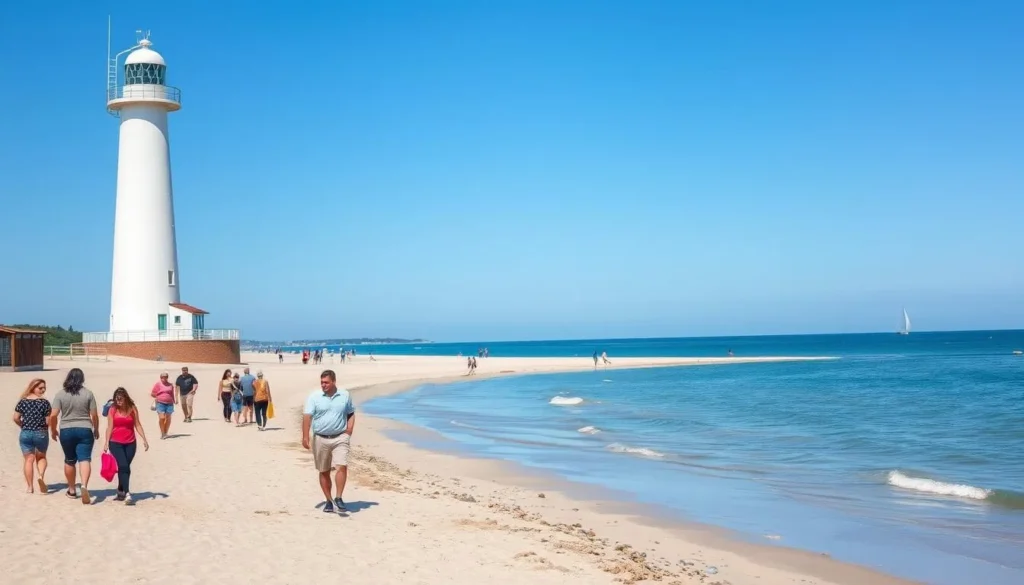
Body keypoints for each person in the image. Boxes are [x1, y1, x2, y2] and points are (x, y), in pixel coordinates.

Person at [302, 369, 355, 513]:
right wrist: (305, 436)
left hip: (340, 437)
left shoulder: (345, 395)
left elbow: (350, 412)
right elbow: (307, 417)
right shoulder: (314, 397)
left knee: (341, 465)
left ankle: (339, 497)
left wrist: (349, 429)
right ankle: (328, 500)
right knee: (324, 471)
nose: (323, 385)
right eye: (321, 382)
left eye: (326, 382)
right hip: (320, 438)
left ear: (333, 382)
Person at [49, 368, 99, 504]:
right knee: (85, 459)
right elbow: (94, 415)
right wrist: (96, 429)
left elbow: (53, 415)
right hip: (85, 428)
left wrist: (53, 430)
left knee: (69, 460)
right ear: (82, 379)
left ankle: (71, 490)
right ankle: (84, 486)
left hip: (66, 429)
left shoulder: (61, 394)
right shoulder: (88, 394)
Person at [103, 387, 150, 505]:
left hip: (130, 443)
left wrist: (144, 439)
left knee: (125, 467)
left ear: (125, 398)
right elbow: (109, 427)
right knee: (124, 466)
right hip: (115, 442)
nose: (118, 401)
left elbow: (137, 425)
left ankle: (120, 489)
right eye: (116, 399)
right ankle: (127, 493)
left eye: (120, 399)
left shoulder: (132, 409)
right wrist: (106, 442)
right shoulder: (112, 409)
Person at [13, 379, 51, 494]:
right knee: (41, 458)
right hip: (40, 432)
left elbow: (15, 418)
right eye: (40, 388)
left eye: (44, 388)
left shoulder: (22, 402)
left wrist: (23, 426)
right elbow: (48, 421)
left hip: (26, 433)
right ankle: (40, 476)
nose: (43, 390)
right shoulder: (44, 403)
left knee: (28, 460)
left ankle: (30, 487)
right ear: (33, 387)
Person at [150, 372, 177, 439]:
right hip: (160, 403)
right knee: (162, 418)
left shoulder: (170, 385)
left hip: (170, 403)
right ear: (160, 378)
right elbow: (152, 393)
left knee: (168, 418)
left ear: (167, 377)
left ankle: (165, 432)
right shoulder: (158, 384)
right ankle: (162, 433)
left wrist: (174, 400)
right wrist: (159, 396)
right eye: (162, 377)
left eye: (165, 377)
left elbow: (172, 394)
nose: (164, 378)